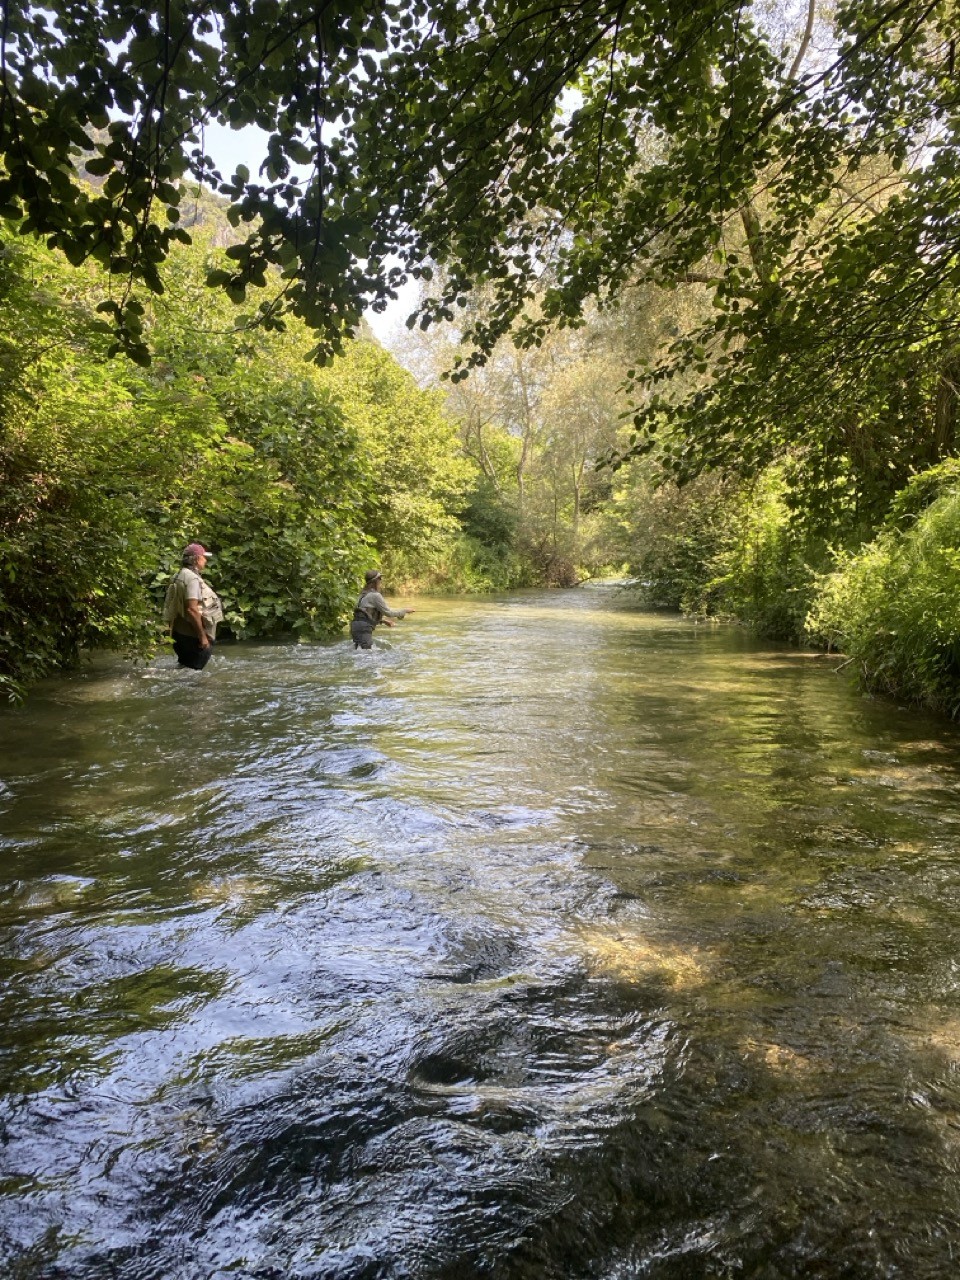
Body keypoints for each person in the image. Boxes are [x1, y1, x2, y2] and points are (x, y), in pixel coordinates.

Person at [162, 543, 224, 670]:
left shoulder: (178, 575)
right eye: (203, 557)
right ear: (196, 559)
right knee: (194, 676)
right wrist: (203, 637)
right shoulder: (192, 580)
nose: (205, 560)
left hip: (180, 635)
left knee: (184, 671)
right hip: (193, 638)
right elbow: (192, 609)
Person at [350, 569, 415, 649]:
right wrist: (405, 611)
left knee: (358, 650)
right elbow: (388, 612)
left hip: (355, 626)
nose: (381, 581)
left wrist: (383, 621)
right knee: (366, 653)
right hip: (364, 628)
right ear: (375, 581)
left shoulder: (362, 595)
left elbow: (364, 615)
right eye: (379, 578)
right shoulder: (375, 595)